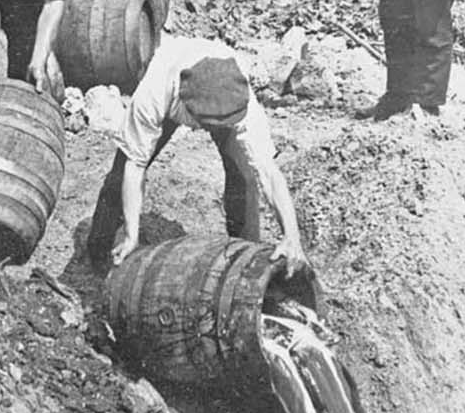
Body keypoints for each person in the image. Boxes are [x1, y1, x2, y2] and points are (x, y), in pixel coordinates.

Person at [85, 38, 307, 272]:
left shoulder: (242, 101)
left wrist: (292, 236)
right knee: (121, 172)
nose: (212, 129)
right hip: (170, 85)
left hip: (217, 92)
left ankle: (245, 259)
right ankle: (99, 250)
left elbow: (269, 174)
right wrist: (132, 235)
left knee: (245, 177)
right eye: (209, 124)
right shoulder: (154, 93)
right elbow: (135, 165)